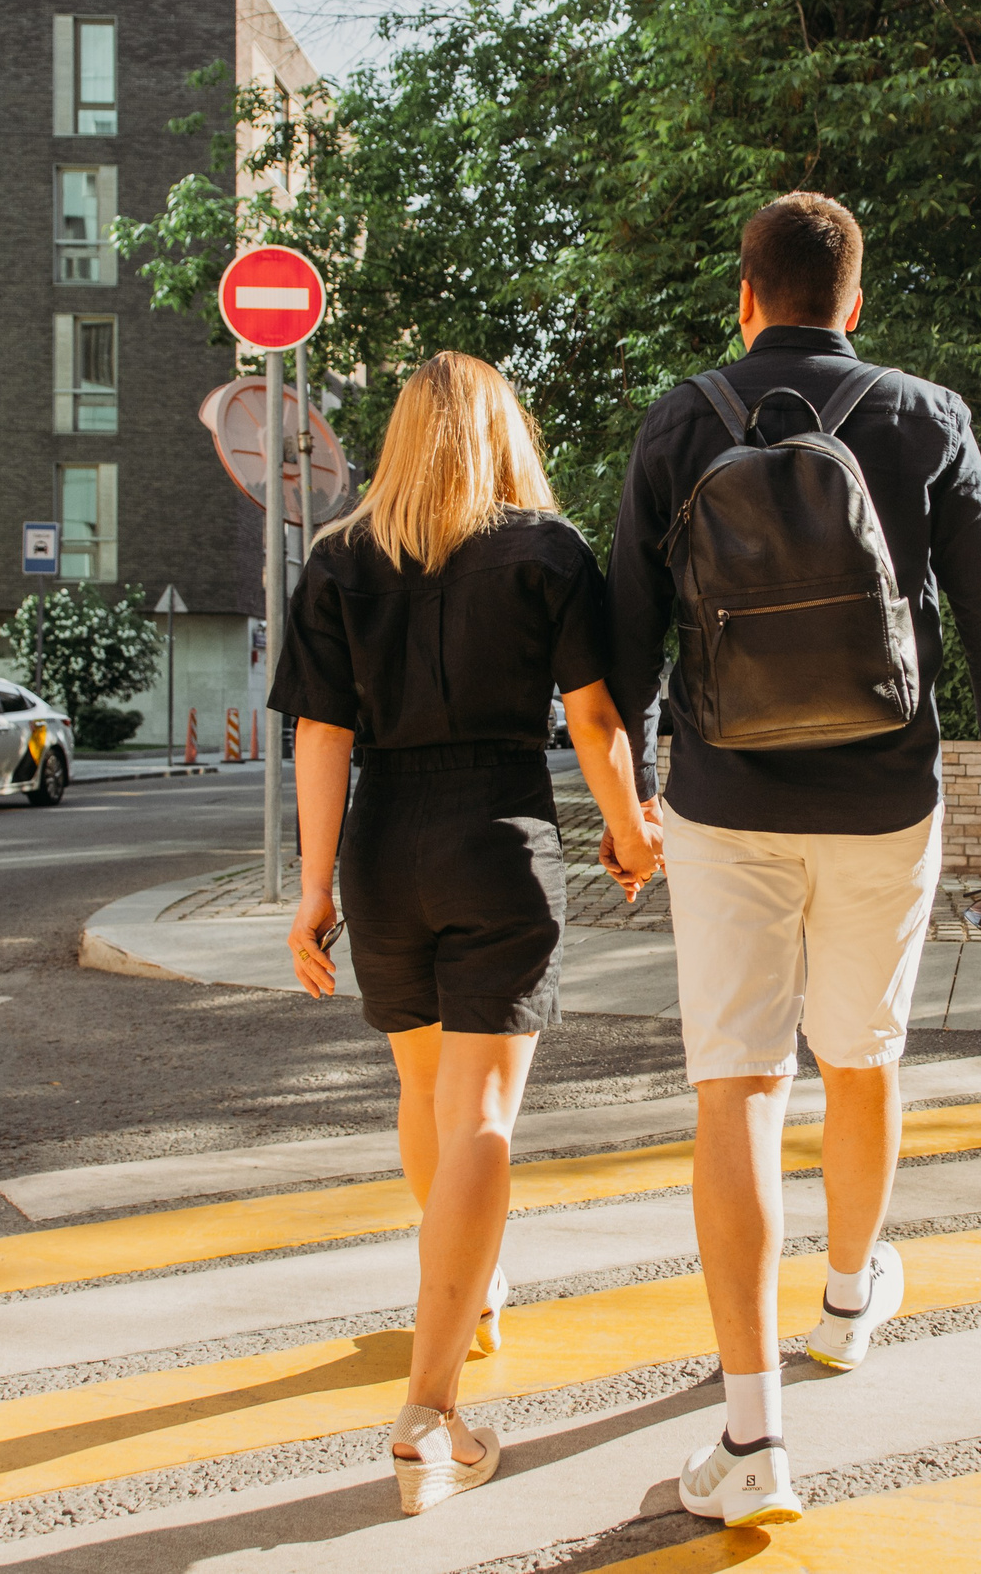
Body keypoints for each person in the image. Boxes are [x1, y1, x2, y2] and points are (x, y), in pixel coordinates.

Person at [606, 192, 981, 1525]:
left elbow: (622, 628)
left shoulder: (681, 417)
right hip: (883, 799)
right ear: (854, 301)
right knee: (863, 1056)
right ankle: (849, 1300)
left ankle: (750, 1436)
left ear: (746, 295)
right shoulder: (926, 416)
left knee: (736, 1088)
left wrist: (625, 800)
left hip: (722, 797)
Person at [277, 351, 661, 1515]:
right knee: (484, 1114)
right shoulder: (544, 551)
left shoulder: (338, 557)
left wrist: (313, 890)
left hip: (384, 846)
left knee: (426, 1095)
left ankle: (471, 1289)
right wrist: (631, 831)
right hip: (497, 833)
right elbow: (593, 715)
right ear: (504, 434)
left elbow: (321, 735)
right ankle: (430, 1410)